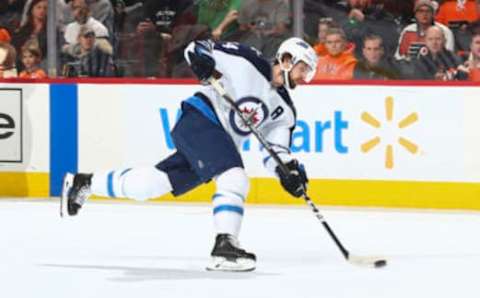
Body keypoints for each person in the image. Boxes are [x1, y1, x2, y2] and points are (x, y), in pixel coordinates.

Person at [60, 37, 317, 272]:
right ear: (286, 59)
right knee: (234, 177)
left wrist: (288, 172)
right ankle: (225, 246)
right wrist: (202, 62)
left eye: (308, 72)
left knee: (149, 185)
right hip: (200, 119)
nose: (305, 77)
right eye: (303, 68)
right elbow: (198, 47)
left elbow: (277, 151)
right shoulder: (247, 59)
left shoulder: (285, 112)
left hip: (217, 144)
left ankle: (83, 182)